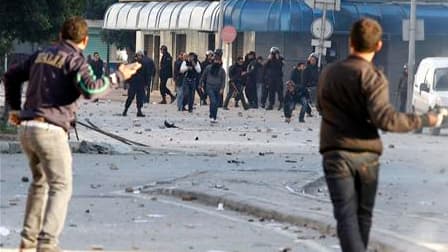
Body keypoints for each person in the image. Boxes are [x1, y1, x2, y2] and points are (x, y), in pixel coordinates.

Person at [3, 16, 140, 252]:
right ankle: (47, 244)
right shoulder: (75, 60)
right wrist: (119, 76)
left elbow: (11, 76)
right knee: (61, 185)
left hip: (27, 128)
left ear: (60, 35)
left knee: (40, 183)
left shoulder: (41, 54)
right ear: (85, 41)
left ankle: (28, 241)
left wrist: (14, 111)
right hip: (50, 130)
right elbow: (90, 90)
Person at [317, 18, 447, 252]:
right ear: (378, 46)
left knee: (346, 215)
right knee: (363, 215)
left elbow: (320, 106)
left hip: (334, 152)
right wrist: (428, 120)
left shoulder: (330, 73)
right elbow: (386, 120)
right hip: (366, 155)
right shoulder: (374, 77)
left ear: (350, 42)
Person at [200, 53, 226, 123]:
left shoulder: (222, 70)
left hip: (218, 88)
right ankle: (211, 115)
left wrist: (222, 88)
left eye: (218, 61)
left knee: (216, 103)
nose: (217, 62)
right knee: (213, 101)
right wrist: (200, 84)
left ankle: (214, 116)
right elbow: (203, 76)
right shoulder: (208, 68)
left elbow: (223, 80)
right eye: (216, 60)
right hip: (210, 87)